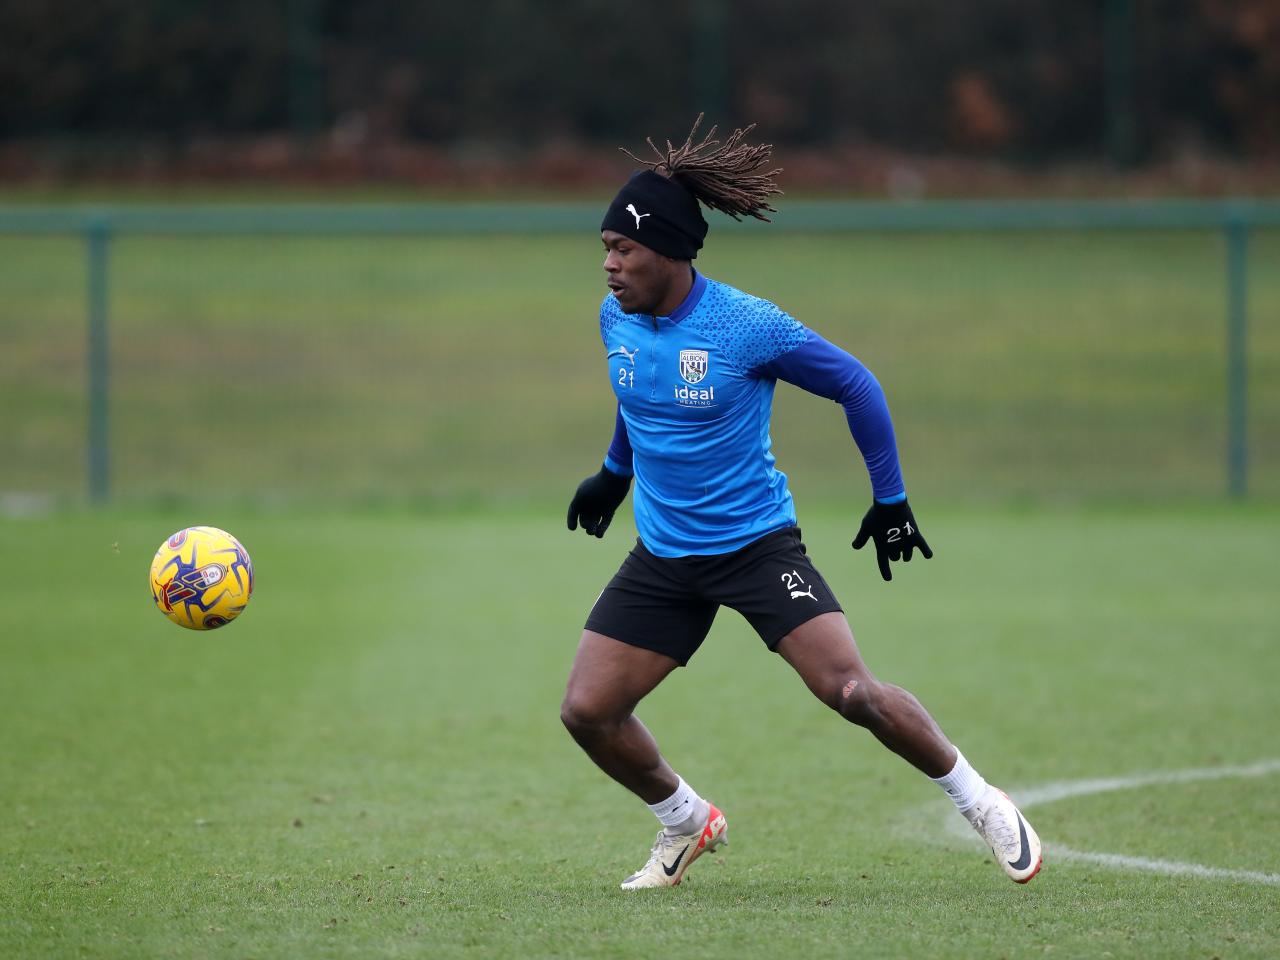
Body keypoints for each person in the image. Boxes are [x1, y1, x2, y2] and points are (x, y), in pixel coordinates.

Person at [562, 117, 1041, 890]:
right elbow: (638, 394)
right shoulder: (617, 315)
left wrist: (890, 498)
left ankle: (980, 801)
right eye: (606, 250)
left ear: (672, 253)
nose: (609, 266)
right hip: (664, 555)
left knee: (852, 693)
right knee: (587, 712)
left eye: (624, 250)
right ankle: (686, 822)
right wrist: (614, 472)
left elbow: (858, 384)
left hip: (756, 548)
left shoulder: (746, 325)